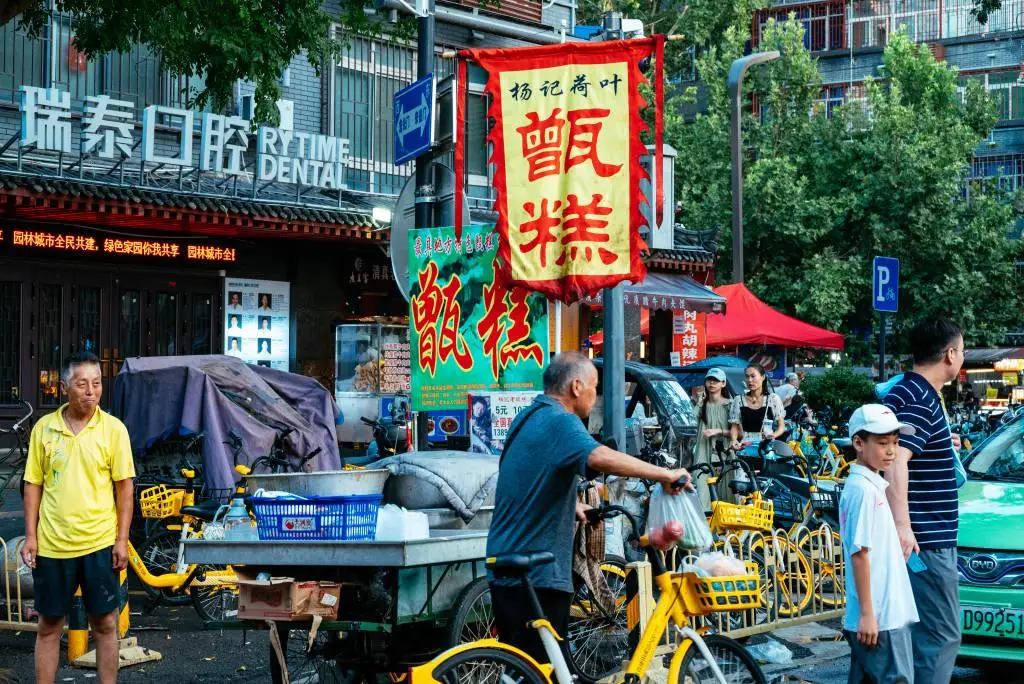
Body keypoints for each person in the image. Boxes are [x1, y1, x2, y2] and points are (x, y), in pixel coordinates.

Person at [487, 352, 692, 662]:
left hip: (503, 562)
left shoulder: (527, 417)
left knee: (520, 668)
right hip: (538, 571)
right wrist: (666, 473)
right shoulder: (562, 421)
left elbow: (525, 479)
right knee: (548, 668)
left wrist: (571, 508)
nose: (596, 396)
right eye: (595, 388)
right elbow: (598, 456)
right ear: (576, 386)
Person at [21, 352, 136, 684]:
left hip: (99, 543)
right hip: (54, 546)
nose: (91, 391)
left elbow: (124, 488)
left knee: (105, 624)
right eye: (82, 384)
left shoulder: (114, 430)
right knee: (49, 626)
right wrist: (31, 535)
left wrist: (121, 539)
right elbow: (33, 485)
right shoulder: (44, 429)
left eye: (97, 384)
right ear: (63, 388)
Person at [883, 316, 964, 684]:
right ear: (949, 354)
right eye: (961, 351)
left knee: (915, 637)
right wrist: (904, 526)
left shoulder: (906, 391)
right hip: (927, 539)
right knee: (942, 635)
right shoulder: (919, 397)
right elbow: (897, 460)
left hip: (920, 537)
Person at [841, 404, 919, 684]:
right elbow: (859, 554)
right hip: (882, 616)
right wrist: (868, 614)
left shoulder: (869, 485)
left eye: (896, 443)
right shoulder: (863, 491)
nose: (891, 451)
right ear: (859, 443)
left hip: (880, 613)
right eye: (883, 442)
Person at [693, 368, 732, 511]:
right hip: (704, 453)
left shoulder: (730, 405)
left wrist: (718, 431)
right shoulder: (702, 404)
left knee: (727, 493)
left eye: (715, 380)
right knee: (702, 489)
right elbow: (692, 421)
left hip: (725, 453)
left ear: (723, 383)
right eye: (709, 380)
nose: (711, 383)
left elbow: (739, 433)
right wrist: (700, 401)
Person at [729, 363, 786, 450]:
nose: (749, 380)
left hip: (766, 447)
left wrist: (773, 435)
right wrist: (733, 440)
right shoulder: (738, 400)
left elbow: (781, 427)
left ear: (763, 377)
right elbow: (734, 426)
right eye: (747, 377)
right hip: (746, 447)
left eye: (753, 376)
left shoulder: (773, 399)